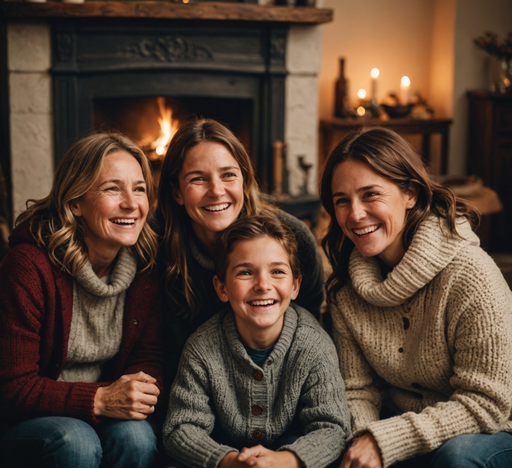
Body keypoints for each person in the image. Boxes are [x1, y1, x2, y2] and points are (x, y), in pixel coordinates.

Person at [318, 127, 512, 468]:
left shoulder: (471, 274)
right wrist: (366, 442)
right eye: (342, 201)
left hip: (492, 428)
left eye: (370, 195)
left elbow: (489, 402)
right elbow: (357, 390)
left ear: (410, 193)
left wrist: (385, 441)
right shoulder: (346, 291)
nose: (355, 214)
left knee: (457, 458)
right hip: (406, 431)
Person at [0, 133, 164, 468]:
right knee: (75, 440)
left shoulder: (146, 267)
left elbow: (149, 359)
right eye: (112, 188)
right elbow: (11, 388)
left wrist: (134, 394)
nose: (132, 204)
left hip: (102, 411)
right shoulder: (29, 267)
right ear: (75, 202)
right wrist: (101, 399)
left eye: (139, 188)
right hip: (25, 421)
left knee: (137, 436)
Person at [163, 214, 351, 468]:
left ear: (295, 286)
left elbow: (333, 428)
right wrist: (227, 461)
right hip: (226, 455)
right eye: (245, 272)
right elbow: (181, 429)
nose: (263, 285)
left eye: (277, 271)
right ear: (222, 288)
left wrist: (287, 460)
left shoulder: (313, 345)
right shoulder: (202, 349)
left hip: (292, 456)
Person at [156, 118, 325, 385]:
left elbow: (310, 327)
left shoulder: (293, 238)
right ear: (177, 192)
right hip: (191, 388)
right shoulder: (157, 247)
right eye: (198, 179)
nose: (216, 191)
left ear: (244, 180)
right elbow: (163, 352)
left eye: (228, 175)